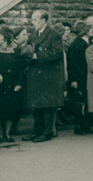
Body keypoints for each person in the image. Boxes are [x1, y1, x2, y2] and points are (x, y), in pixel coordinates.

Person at [24, 10, 65, 142]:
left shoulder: (54, 35)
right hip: (37, 74)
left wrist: (38, 56)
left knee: (48, 106)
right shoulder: (33, 34)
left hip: (49, 75)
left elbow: (57, 53)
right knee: (37, 105)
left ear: (44, 20)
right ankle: (36, 131)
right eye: (32, 19)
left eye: (35, 19)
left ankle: (47, 132)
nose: (33, 22)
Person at [0, 26, 24, 143]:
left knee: (10, 109)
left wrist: (18, 83)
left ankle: (7, 133)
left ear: (6, 37)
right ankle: (0, 134)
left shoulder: (15, 51)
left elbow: (20, 69)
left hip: (11, 84)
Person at [66, 20, 93, 135]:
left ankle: (86, 125)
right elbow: (72, 64)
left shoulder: (87, 42)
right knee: (79, 102)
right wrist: (74, 80)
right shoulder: (76, 44)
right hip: (80, 77)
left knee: (86, 101)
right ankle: (79, 126)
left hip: (86, 76)